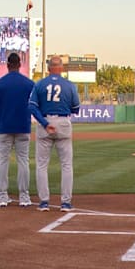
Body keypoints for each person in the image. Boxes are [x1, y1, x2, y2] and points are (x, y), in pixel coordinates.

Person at [29, 56, 81, 212]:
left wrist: (45, 124)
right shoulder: (69, 86)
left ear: (49, 68)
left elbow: (31, 107)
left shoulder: (40, 84)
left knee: (42, 164)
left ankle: (44, 202)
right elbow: (76, 108)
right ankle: (65, 202)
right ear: (61, 68)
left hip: (45, 122)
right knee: (66, 165)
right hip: (63, 122)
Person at [0, 52, 34, 208]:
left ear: (7, 65)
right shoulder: (28, 83)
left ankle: (2, 195)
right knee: (23, 161)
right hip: (23, 126)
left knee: (3, 161)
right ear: (19, 64)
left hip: (4, 127)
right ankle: (24, 196)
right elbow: (34, 105)